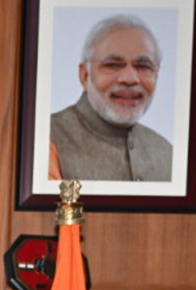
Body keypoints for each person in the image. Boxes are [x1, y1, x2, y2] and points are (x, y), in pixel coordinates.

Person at [48, 13, 172, 182]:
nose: (130, 78)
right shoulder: (46, 139)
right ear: (85, 75)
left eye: (143, 66)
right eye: (113, 65)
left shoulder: (167, 154)